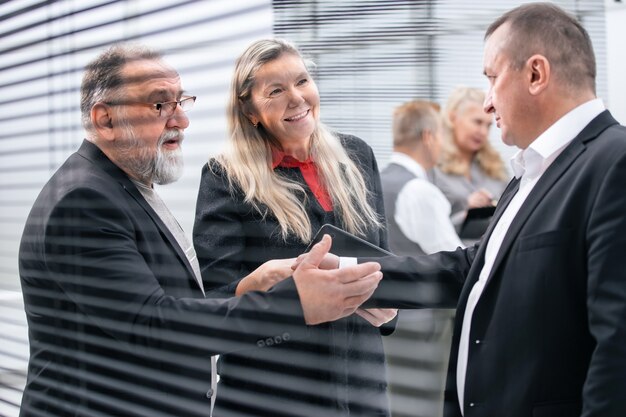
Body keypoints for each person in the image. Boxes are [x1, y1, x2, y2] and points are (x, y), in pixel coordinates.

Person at [17, 43, 383, 417]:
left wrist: (250, 287)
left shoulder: (120, 189)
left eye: (180, 102)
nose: (180, 120)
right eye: (159, 105)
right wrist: (295, 302)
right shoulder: (83, 202)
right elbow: (153, 324)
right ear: (105, 120)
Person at [327, 3, 626, 417]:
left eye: (491, 78)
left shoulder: (614, 161)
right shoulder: (531, 170)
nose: (487, 103)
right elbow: (475, 267)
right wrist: (343, 271)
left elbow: (619, 346)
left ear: (535, 74)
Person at [193, 38, 397, 417]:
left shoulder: (357, 156)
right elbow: (215, 299)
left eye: (302, 81)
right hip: (273, 391)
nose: (297, 98)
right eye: (276, 91)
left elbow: (383, 262)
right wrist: (258, 283)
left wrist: (392, 309)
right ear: (250, 110)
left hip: (361, 385)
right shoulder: (226, 177)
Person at [380, 100, 462, 417]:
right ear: (429, 136)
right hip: (425, 331)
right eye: (442, 136)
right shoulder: (419, 191)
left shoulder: (374, 183)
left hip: (387, 323)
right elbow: (456, 262)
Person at [429, 86, 509, 239]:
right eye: (477, 122)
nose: (483, 132)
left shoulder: (496, 166)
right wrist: (467, 212)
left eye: (488, 125)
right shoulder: (432, 167)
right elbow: (425, 230)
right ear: (453, 118)